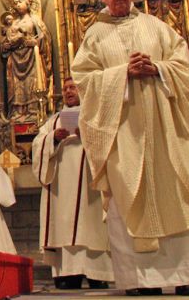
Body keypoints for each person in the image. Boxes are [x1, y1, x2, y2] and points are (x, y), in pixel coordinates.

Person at [71, 0, 189, 296]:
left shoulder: (158, 27)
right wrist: (123, 73)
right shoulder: (94, 36)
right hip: (123, 134)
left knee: (178, 191)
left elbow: (186, 69)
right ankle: (141, 280)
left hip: (167, 131)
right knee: (129, 198)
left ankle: (186, 276)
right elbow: (83, 80)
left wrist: (158, 69)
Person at [31, 77, 112, 289]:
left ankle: (97, 272)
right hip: (61, 188)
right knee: (64, 224)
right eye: (65, 88)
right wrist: (53, 139)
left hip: (89, 184)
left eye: (73, 87)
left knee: (90, 222)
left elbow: (108, 139)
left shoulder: (93, 116)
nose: (68, 91)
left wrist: (88, 134)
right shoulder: (54, 120)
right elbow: (38, 142)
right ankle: (68, 273)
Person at [0, 0, 51, 123]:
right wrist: (5, 46)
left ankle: (34, 111)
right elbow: (7, 39)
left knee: (33, 83)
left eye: (20, 1)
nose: (18, 5)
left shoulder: (35, 20)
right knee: (16, 86)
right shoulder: (13, 23)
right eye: (15, 3)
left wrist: (37, 42)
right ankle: (18, 112)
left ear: (28, 3)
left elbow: (45, 37)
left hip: (32, 57)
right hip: (15, 60)